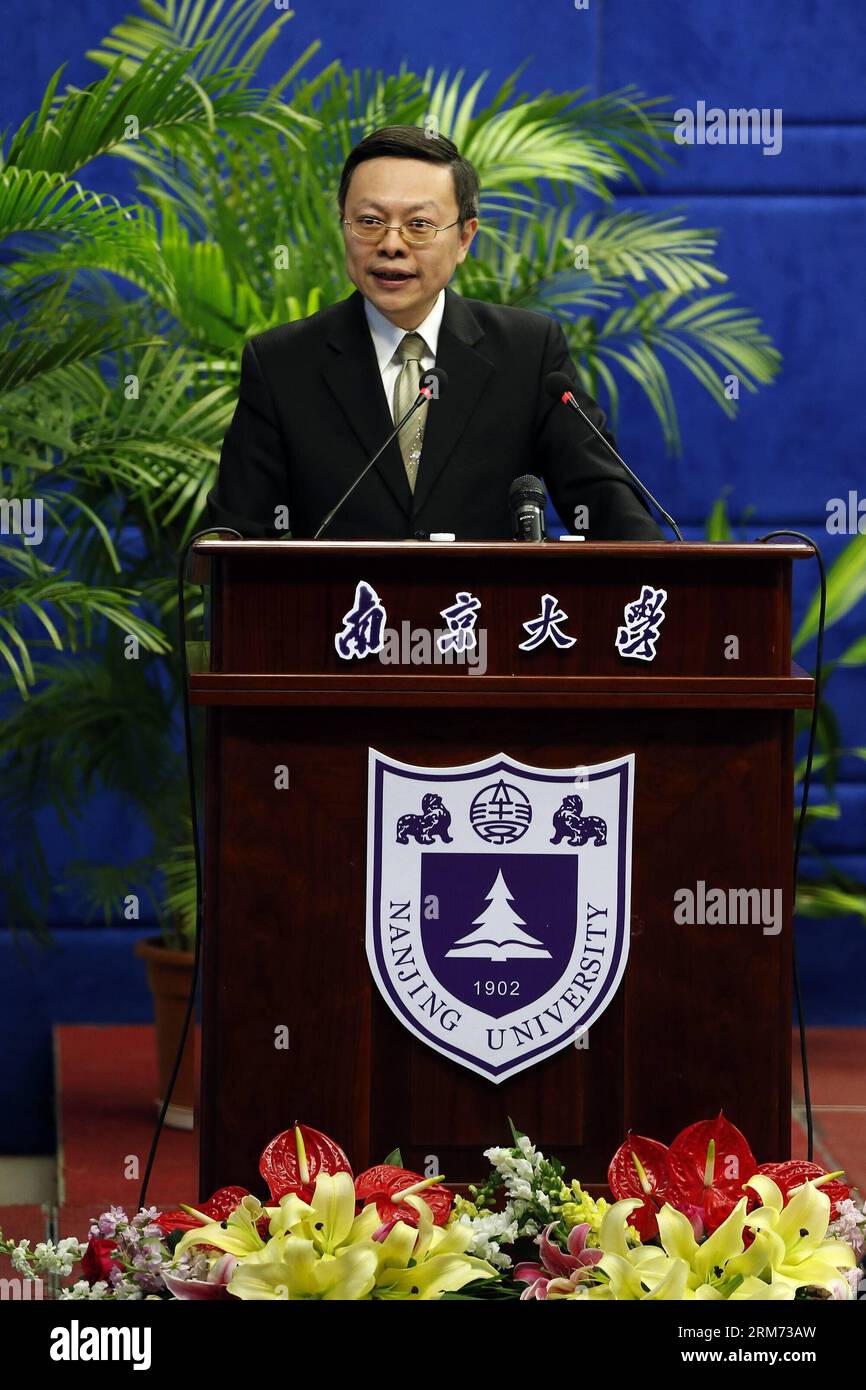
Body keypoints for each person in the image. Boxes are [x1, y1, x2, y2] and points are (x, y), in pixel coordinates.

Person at [206, 125, 666, 542]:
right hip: (342, 629)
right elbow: (233, 538)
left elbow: (612, 512)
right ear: (343, 226)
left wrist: (673, 589)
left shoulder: (527, 353)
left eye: (419, 225)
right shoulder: (284, 364)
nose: (391, 243)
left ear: (464, 238)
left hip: (484, 627)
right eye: (369, 221)